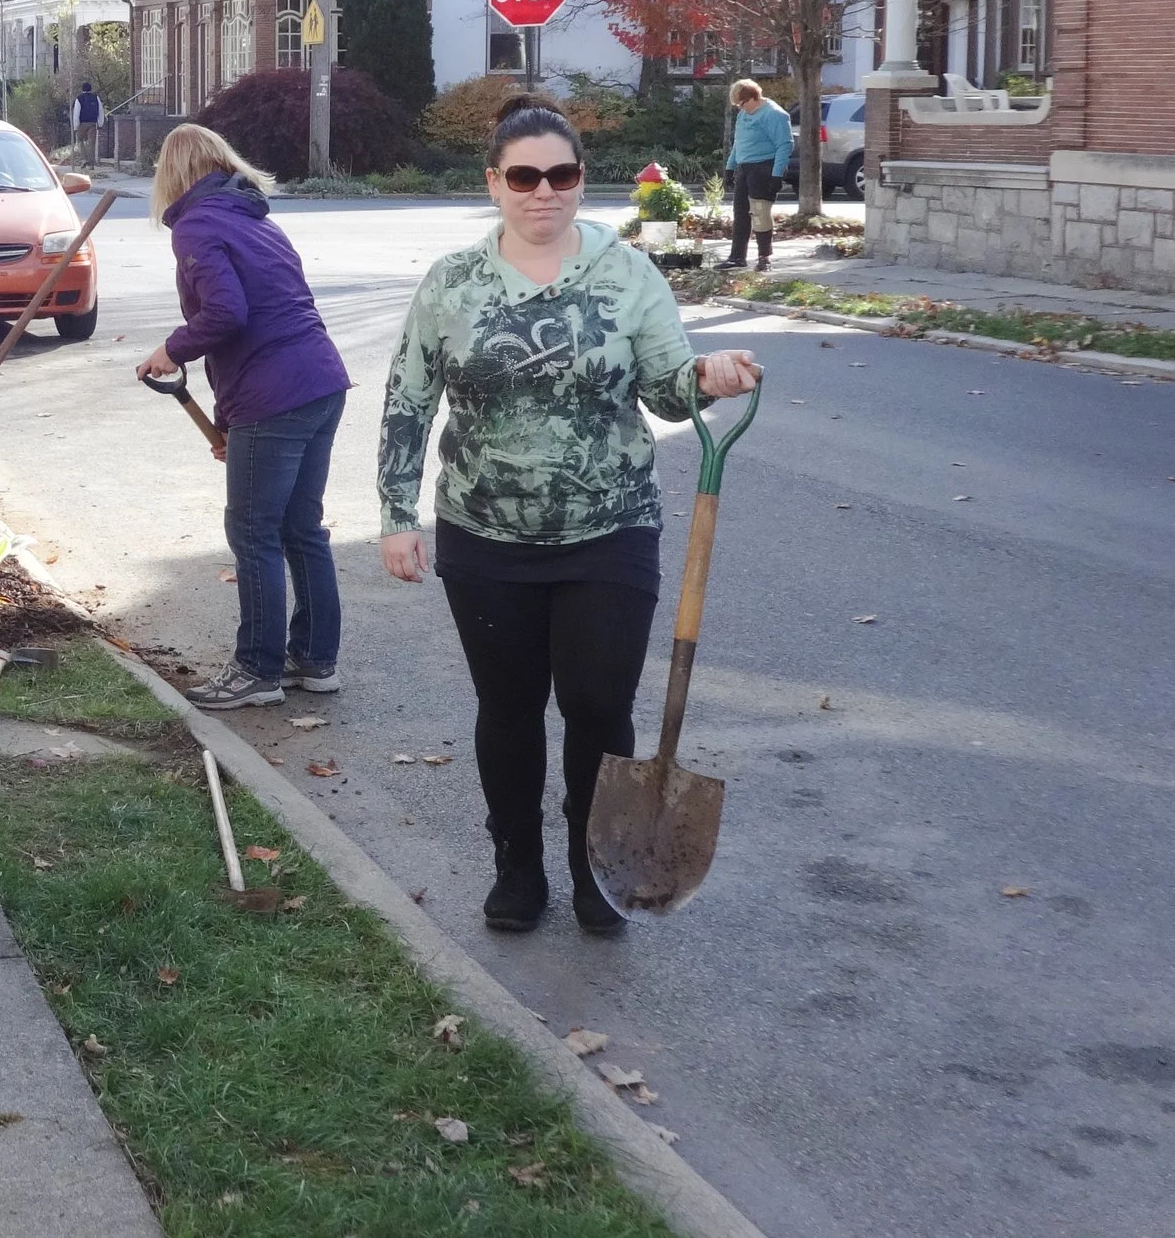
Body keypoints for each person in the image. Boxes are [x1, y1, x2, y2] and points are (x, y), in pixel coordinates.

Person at [376, 97, 761, 936]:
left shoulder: (628, 276)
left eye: (562, 174)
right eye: (524, 175)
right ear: (494, 183)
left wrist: (709, 376)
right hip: (483, 534)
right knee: (508, 709)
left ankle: (598, 864)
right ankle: (517, 865)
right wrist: (396, 512)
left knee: (597, 702)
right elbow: (410, 398)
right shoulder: (454, 283)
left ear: (582, 180)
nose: (543, 191)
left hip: (610, 527)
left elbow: (663, 387)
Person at [135, 124, 349, 710]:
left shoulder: (198, 226)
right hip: (321, 383)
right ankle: (315, 660)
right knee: (302, 528)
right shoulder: (258, 220)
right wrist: (228, 421)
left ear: (173, 176)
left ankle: (257, 670)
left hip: (274, 393)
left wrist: (171, 350)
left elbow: (227, 315)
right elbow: (264, 319)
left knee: (254, 532)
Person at [720, 77, 792, 271]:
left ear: (753, 98)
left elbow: (784, 145)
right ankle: (737, 257)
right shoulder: (744, 114)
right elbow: (739, 141)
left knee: (759, 213)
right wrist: (730, 166)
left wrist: (777, 175)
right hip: (745, 167)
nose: (740, 108)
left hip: (764, 168)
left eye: (742, 104)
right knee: (740, 213)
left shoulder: (774, 114)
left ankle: (764, 258)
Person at [72, 80, 103, 163]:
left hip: (82, 123)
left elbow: (76, 113)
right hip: (93, 123)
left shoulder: (79, 99)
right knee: (91, 143)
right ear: (91, 89)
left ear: (82, 89)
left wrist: (75, 127)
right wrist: (100, 123)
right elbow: (100, 110)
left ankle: (84, 159)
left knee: (79, 140)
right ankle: (91, 164)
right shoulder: (96, 97)